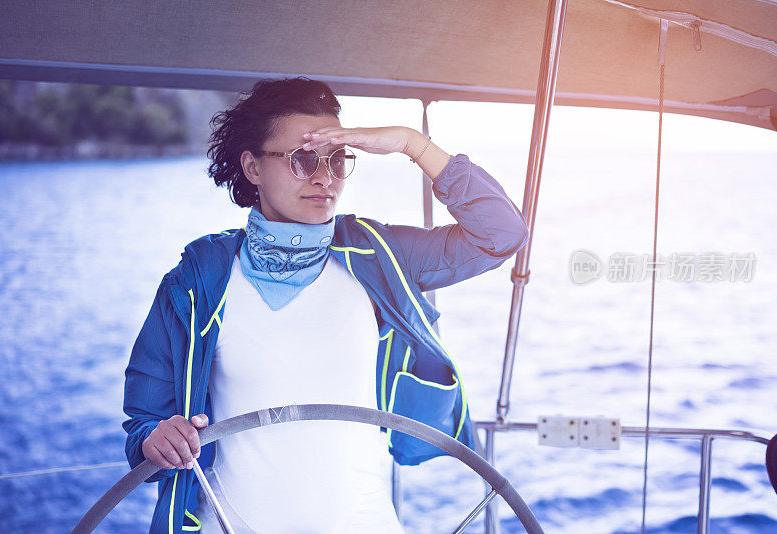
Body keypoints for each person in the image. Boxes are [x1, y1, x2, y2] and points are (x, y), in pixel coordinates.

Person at [122, 76, 529, 533]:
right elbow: (144, 422)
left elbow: (500, 235)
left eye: (337, 159)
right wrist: (157, 439)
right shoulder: (197, 281)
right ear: (253, 167)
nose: (323, 177)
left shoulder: (377, 257)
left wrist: (412, 145)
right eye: (302, 159)